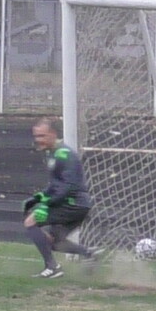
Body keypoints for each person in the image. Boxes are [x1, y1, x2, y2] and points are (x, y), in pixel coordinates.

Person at [22, 118, 97, 279]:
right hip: (78, 205)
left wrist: (45, 205)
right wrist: (37, 198)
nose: (38, 140)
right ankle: (87, 253)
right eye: (36, 136)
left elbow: (67, 187)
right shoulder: (54, 153)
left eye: (42, 136)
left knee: (30, 222)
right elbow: (56, 185)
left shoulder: (64, 154)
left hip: (73, 204)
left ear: (53, 134)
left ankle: (52, 267)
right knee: (54, 242)